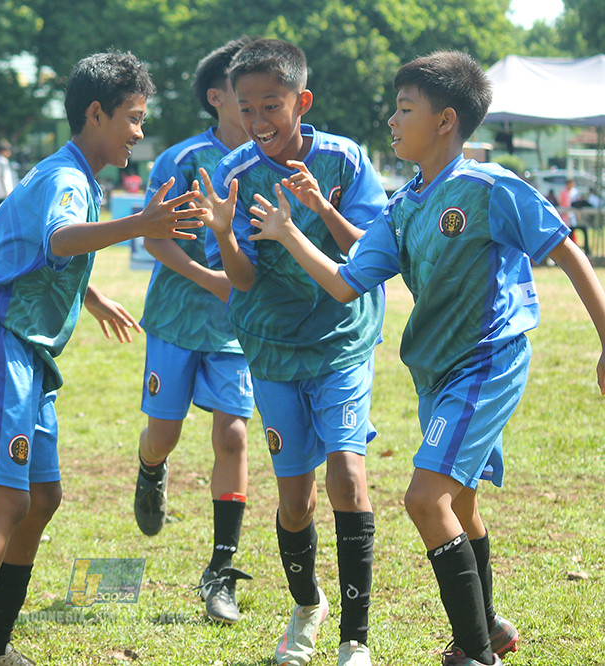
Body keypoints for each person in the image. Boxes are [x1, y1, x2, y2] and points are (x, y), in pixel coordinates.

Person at [242, 50, 605, 666]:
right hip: (435, 371)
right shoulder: (406, 203)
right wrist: (290, 231)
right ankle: (487, 626)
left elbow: (566, 250)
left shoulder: (492, 188)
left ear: (445, 121)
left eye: (405, 108)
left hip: (485, 362)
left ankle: (472, 653)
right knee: (458, 503)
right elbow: (345, 281)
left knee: (423, 500)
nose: (391, 119)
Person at [0, 51, 205, 666]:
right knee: (5, 500)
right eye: (132, 118)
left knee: (42, 496)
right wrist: (141, 222)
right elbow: (55, 237)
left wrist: (92, 293)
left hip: (26, 350)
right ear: (96, 113)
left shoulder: (75, 173)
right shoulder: (67, 178)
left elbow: (32, 248)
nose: (138, 131)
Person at [201, 39, 386, 666]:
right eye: (246, 108)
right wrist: (225, 234)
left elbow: (368, 252)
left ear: (301, 101)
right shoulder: (232, 174)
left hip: (340, 342)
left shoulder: (345, 159)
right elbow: (244, 280)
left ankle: (354, 640)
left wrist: (314, 211)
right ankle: (307, 606)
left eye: (272, 106)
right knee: (295, 498)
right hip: (272, 349)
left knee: (348, 477)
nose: (258, 122)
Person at [131, 36, 256, 625]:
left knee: (232, 436)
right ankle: (150, 469)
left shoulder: (271, 160)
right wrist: (210, 278)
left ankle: (220, 572)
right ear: (217, 97)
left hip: (238, 328)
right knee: (164, 433)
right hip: (177, 321)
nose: (259, 102)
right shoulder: (181, 161)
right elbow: (153, 239)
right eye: (245, 90)